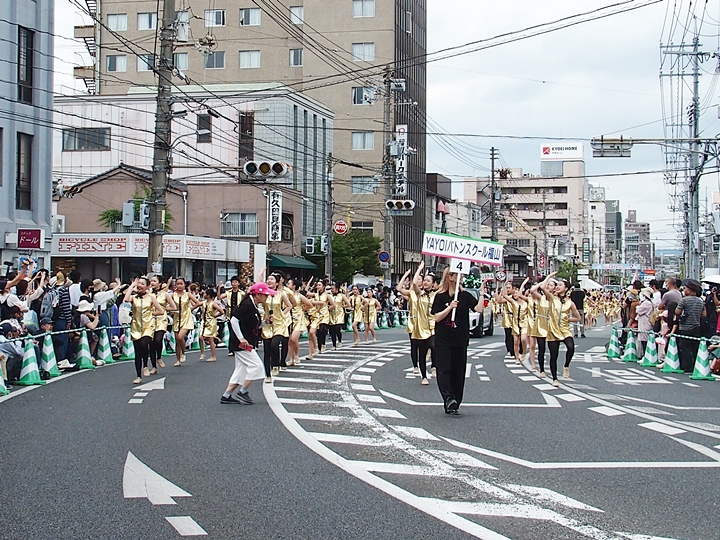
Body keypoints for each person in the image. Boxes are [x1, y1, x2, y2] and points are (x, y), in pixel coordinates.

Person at [431, 266, 485, 415]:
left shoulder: (465, 296)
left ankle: (456, 400)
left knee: (458, 371)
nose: (461, 278)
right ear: (450, 277)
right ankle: (448, 398)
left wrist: (481, 293)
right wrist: (449, 308)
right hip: (443, 339)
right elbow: (437, 317)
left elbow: (478, 309)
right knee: (444, 370)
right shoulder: (440, 296)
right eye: (458, 275)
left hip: (460, 339)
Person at [222, 282, 273, 404]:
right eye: (265, 295)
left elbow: (252, 325)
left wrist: (265, 322)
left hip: (245, 342)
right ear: (258, 295)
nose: (267, 297)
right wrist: (241, 338)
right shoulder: (247, 305)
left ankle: (226, 395)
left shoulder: (253, 306)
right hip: (242, 344)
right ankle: (243, 391)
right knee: (257, 366)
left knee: (241, 370)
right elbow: (234, 320)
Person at [542, 272, 581, 387]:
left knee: (571, 347)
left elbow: (578, 317)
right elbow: (543, 288)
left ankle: (566, 365)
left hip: (564, 329)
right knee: (554, 356)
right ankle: (554, 378)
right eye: (557, 285)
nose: (557, 287)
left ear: (566, 288)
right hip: (552, 330)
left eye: (560, 285)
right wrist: (549, 277)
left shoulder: (570, 303)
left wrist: (568, 320)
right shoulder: (552, 298)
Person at [124, 277, 165, 385]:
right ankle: (138, 376)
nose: (140, 285)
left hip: (148, 327)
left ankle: (146, 365)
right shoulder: (134, 298)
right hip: (136, 327)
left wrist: (151, 314)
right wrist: (132, 285)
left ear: (147, 287)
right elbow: (126, 299)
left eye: (142, 284)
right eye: (139, 284)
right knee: (138, 352)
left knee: (144, 343)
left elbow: (161, 311)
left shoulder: (151, 297)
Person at [673, 279, 706, 372]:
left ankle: (688, 365)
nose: (684, 290)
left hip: (685, 327)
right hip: (696, 327)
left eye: (686, 289)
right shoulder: (700, 301)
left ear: (690, 290)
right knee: (694, 347)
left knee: (684, 347)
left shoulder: (684, 300)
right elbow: (704, 314)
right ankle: (696, 365)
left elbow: (677, 311)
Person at [171, 277, 202, 367]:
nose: (179, 286)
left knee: (180, 337)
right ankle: (178, 359)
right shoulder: (173, 295)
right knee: (177, 340)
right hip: (176, 318)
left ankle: (183, 352)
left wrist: (190, 309)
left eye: (181, 284)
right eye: (178, 284)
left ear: (184, 285)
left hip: (186, 318)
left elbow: (198, 303)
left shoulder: (188, 295)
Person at [529, 276, 555, 377]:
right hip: (540, 325)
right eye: (548, 285)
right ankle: (542, 370)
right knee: (541, 349)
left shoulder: (555, 299)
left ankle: (553, 370)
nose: (548, 286)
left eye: (551, 285)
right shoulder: (541, 298)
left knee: (553, 350)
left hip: (551, 325)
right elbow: (532, 290)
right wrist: (545, 280)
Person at [149, 275, 176, 372]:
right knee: (151, 343)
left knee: (158, 339)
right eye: (151, 281)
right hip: (150, 319)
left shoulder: (165, 294)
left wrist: (164, 308)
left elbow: (174, 307)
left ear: (160, 283)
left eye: (154, 281)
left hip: (161, 319)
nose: (152, 283)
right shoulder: (148, 293)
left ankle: (159, 357)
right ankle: (153, 366)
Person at [199, 288, 224, 363]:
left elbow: (221, 311)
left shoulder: (213, 303)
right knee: (200, 337)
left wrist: (215, 316)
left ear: (208, 295)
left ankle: (213, 356)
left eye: (205, 293)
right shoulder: (204, 303)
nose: (204, 295)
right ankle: (202, 353)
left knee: (210, 339)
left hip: (211, 322)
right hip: (204, 322)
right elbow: (196, 304)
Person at [329, 283, 349, 350]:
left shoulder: (342, 296)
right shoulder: (330, 296)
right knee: (332, 330)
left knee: (337, 328)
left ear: (337, 288)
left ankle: (339, 341)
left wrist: (342, 306)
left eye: (332, 288)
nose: (331, 290)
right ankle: (334, 345)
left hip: (339, 314)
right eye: (331, 289)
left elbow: (348, 304)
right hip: (331, 314)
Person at [636, 287, 655, 357]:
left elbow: (638, 310)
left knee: (644, 340)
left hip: (645, 323)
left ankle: (645, 355)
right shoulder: (650, 302)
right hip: (645, 322)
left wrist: (638, 307)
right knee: (644, 339)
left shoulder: (646, 303)